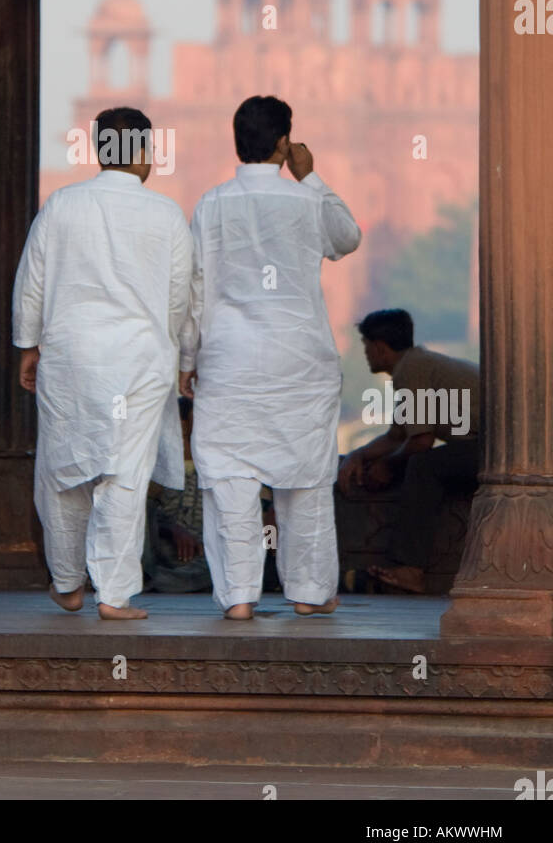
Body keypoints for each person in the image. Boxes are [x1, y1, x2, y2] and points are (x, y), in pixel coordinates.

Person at [180, 96, 361, 620]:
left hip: (230, 359)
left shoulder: (212, 204)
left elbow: (196, 291)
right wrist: (311, 179)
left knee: (230, 481)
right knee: (305, 478)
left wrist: (188, 359)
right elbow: (347, 237)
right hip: (297, 359)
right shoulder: (304, 200)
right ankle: (310, 590)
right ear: (285, 143)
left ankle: (238, 597)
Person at [13, 107, 192, 620]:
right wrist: (179, 352)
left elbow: (32, 283)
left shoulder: (63, 206)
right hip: (139, 361)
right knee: (124, 474)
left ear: (97, 151)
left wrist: (29, 347)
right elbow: (179, 297)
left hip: (70, 358)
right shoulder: (165, 214)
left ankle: (68, 583)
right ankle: (113, 594)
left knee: (64, 470)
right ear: (143, 154)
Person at [337, 308, 480, 594]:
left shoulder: (412, 369)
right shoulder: (417, 364)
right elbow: (397, 436)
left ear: (379, 348)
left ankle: (410, 568)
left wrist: (387, 466)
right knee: (420, 463)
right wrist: (358, 456)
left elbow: (421, 442)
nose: (366, 355)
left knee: (423, 467)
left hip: (495, 449)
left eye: (366, 347)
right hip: (488, 446)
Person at [142, 397, 211, 594]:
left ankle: (158, 582)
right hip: (163, 549)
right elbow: (146, 514)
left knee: (221, 566)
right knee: (138, 503)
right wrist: (171, 529)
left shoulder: (217, 464)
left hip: (205, 553)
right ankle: (150, 577)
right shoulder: (157, 466)